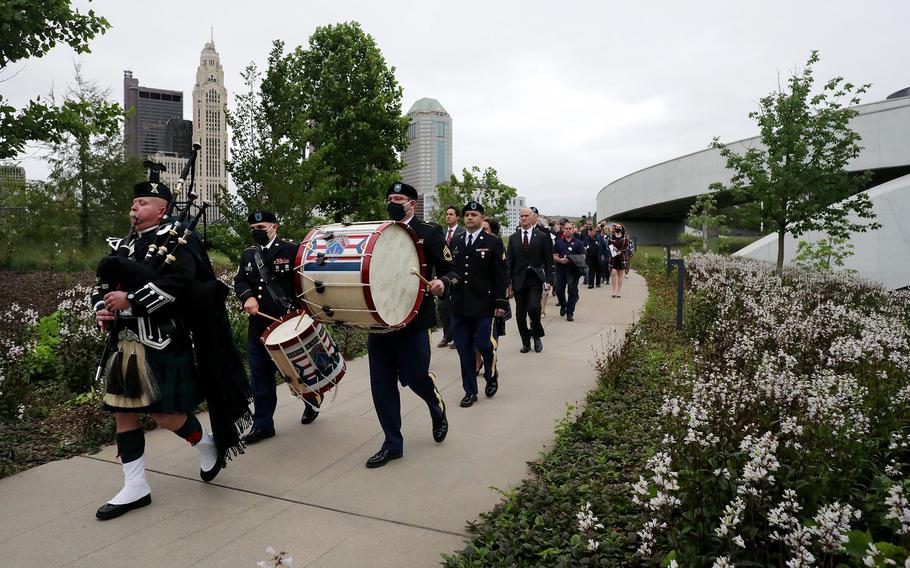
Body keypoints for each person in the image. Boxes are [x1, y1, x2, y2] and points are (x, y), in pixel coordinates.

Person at [92, 174, 251, 520]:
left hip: (161, 340)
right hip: (125, 342)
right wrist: (102, 309)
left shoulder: (179, 241)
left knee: (165, 415)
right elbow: (102, 283)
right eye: (134, 203)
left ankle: (205, 442)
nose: (135, 207)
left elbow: (181, 287)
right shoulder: (122, 246)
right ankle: (136, 486)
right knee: (124, 412)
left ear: (162, 210)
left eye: (143, 202)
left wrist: (130, 300)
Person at [364, 182, 457, 468]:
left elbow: (451, 270)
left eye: (399, 198)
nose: (393, 202)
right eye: (390, 197)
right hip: (380, 322)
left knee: (416, 377)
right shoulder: (378, 233)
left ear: (412, 204)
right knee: (382, 386)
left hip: (414, 321)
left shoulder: (429, 233)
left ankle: (435, 405)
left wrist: (443, 283)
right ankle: (393, 443)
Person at [233, 210, 319, 444]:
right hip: (259, 325)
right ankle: (263, 424)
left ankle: (311, 400)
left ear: (274, 227)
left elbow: (306, 280)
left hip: (289, 323)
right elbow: (240, 280)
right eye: (253, 229)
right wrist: (247, 297)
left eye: (261, 227)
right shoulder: (248, 254)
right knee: (260, 374)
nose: (256, 232)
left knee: (297, 370)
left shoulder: (291, 250)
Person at [448, 201, 509, 407]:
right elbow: (450, 271)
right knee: (464, 350)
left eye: (474, 214)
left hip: (484, 305)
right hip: (460, 305)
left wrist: (501, 301)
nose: (470, 218)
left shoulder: (492, 242)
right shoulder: (455, 242)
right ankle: (470, 391)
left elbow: (500, 275)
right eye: (466, 215)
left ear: (482, 218)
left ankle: (491, 374)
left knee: (484, 343)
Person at [507, 207, 553, 353]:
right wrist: (508, 282)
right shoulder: (514, 238)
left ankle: (537, 335)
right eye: (522, 216)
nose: (524, 218)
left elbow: (548, 260)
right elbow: (510, 261)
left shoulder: (541, 236)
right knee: (520, 314)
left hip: (535, 278)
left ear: (533, 217)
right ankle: (526, 341)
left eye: (527, 216)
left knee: (534, 308)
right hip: (519, 279)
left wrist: (549, 280)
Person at [437, 206, 464, 349]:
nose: (448, 217)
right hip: (443, 276)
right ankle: (447, 335)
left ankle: (457, 337)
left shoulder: (463, 233)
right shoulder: (440, 233)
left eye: (451, 214)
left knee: (456, 307)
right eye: (446, 214)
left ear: (458, 217)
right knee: (443, 306)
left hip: (458, 275)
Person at [552, 221, 585, 321]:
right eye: (566, 228)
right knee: (559, 290)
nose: (568, 230)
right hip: (561, 270)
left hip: (573, 271)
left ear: (573, 230)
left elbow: (583, 256)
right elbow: (554, 256)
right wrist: (560, 260)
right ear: (563, 230)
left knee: (572, 291)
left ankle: (570, 313)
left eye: (570, 228)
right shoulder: (558, 242)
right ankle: (563, 305)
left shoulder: (578, 243)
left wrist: (571, 259)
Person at [608, 223, 631, 298]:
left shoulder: (625, 238)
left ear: (622, 228)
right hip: (614, 257)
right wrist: (614, 250)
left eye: (619, 227)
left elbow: (626, 247)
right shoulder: (611, 237)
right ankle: (614, 290)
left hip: (622, 258)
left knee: (620, 274)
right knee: (614, 273)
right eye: (616, 227)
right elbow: (609, 246)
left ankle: (619, 291)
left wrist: (620, 251)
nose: (617, 228)